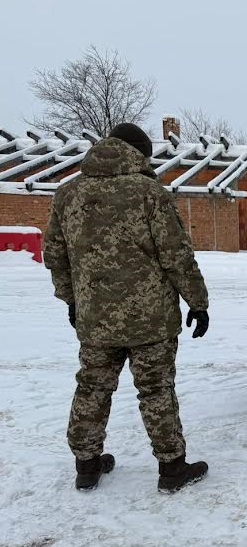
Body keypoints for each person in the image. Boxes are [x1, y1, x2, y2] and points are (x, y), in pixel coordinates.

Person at [44, 122, 210, 493]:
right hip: (151, 320)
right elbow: (176, 255)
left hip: (96, 319)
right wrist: (197, 302)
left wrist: (71, 300)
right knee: (156, 391)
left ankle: (86, 466)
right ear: (138, 153)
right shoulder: (149, 192)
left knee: (92, 388)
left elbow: (55, 254)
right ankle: (172, 469)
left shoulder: (68, 193)